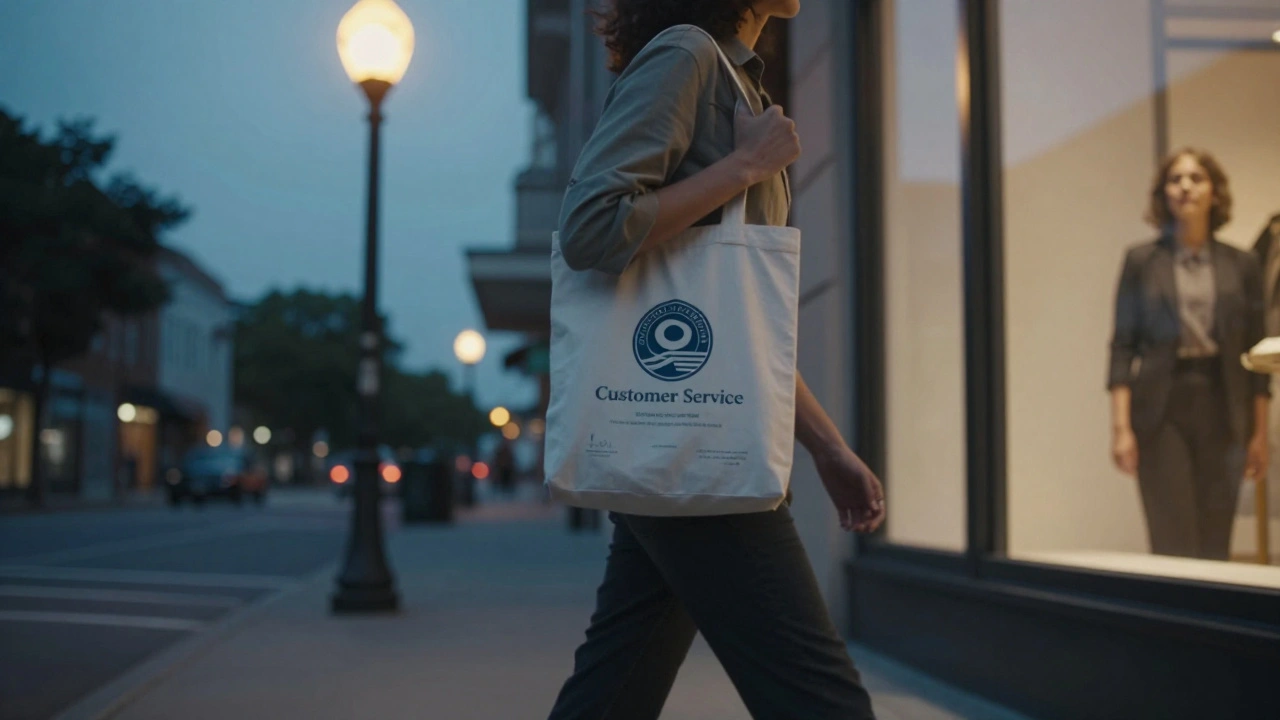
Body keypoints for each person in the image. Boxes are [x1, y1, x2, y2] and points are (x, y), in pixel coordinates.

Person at [546, 2, 884, 718]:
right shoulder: (687, 57)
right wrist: (744, 166)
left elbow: (735, 329)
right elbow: (591, 227)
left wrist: (826, 446)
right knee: (822, 701)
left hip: (689, 435)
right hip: (698, 446)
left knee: (616, 688)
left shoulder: (733, 80)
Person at [1108, 148, 1270, 561]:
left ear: (1213, 193)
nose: (1185, 186)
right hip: (1162, 408)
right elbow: (1122, 345)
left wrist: (1260, 432)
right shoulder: (1142, 261)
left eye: (1196, 178)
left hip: (1224, 403)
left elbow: (1258, 356)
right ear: (1163, 194)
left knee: (1216, 538)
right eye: (1175, 179)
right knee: (1173, 538)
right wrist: (1121, 427)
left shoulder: (1243, 264)